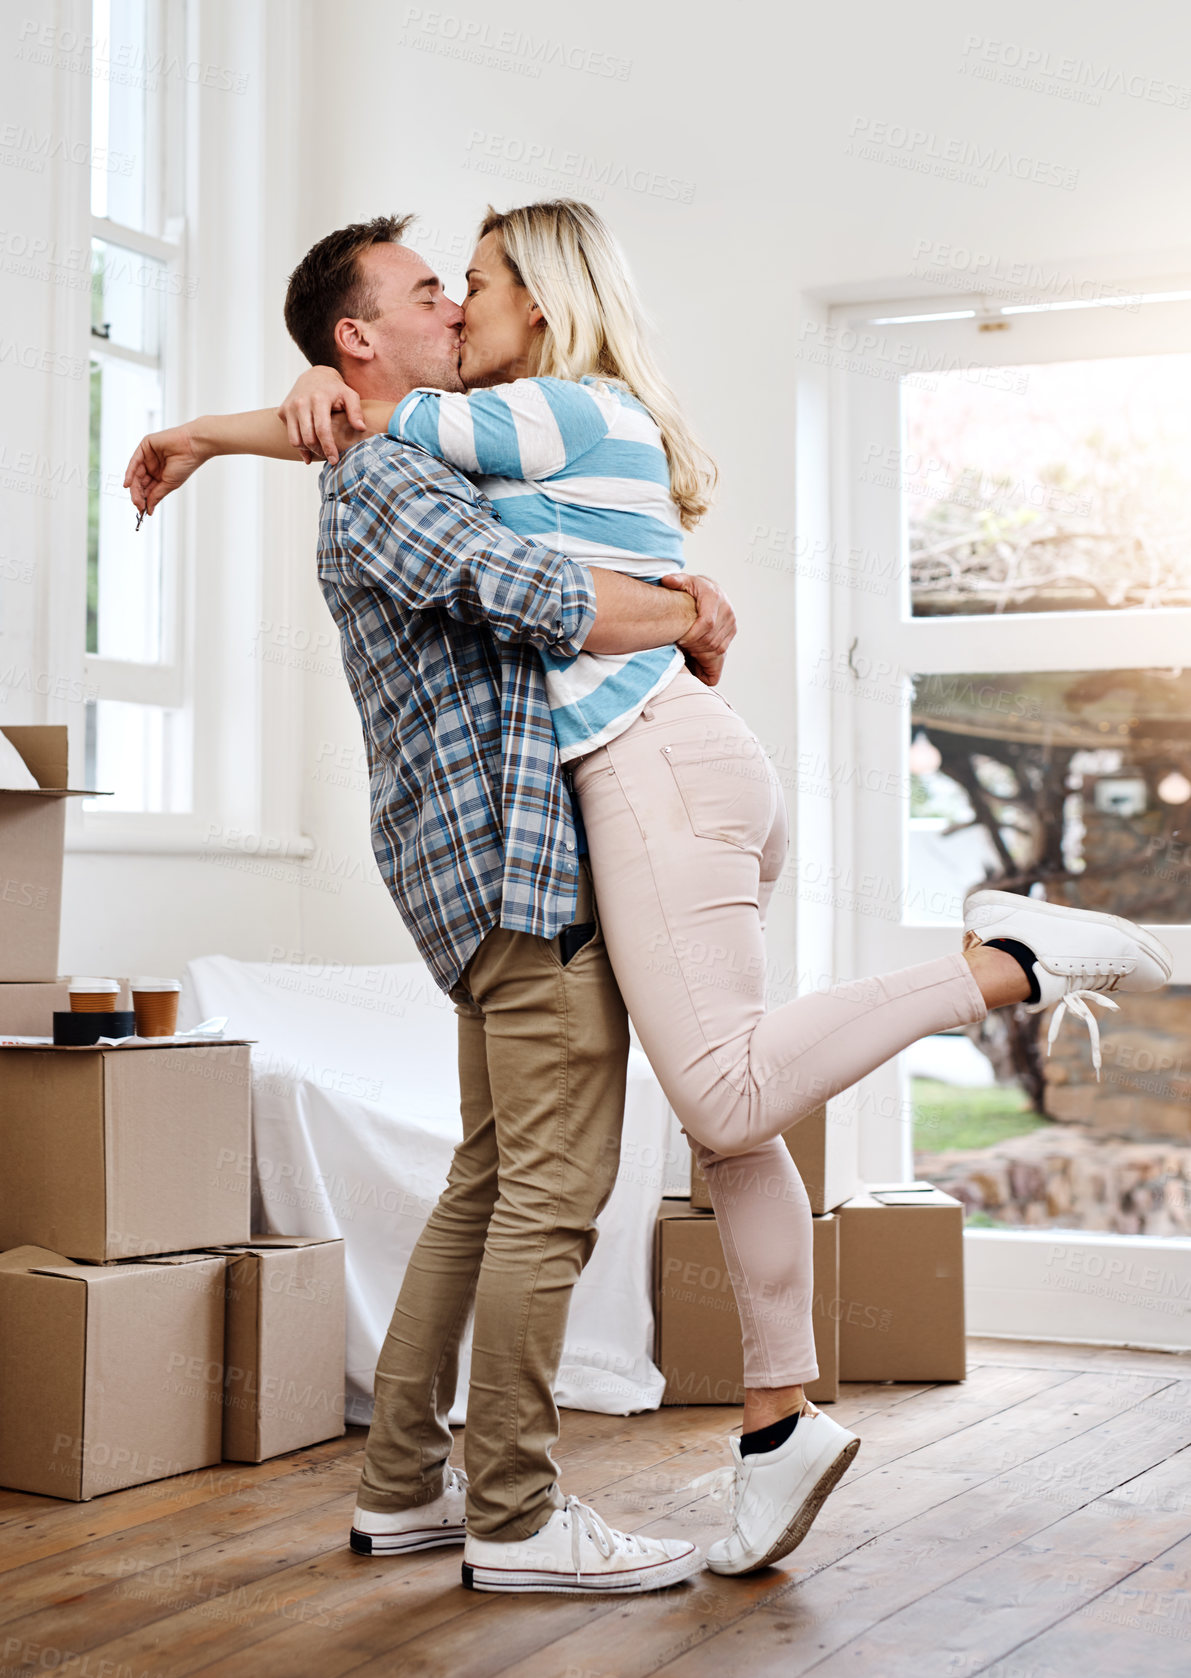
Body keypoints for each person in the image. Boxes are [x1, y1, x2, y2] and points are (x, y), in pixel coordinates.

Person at [127, 204, 1174, 1583]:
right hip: (549, 848)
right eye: (434, 289)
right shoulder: (405, 467)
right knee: (595, 1164)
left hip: (630, 800)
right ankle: (623, 1470)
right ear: (362, 334)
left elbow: (489, 527)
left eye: (476, 283)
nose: (458, 304)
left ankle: (1005, 972)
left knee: (692, 1115)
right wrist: (684, 604)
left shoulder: (524, 421)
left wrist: (234, 427)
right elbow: (541, 589)